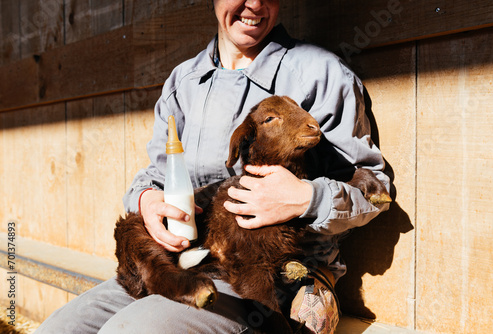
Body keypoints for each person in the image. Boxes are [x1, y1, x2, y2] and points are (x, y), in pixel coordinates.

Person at [36, 0, 390, 333]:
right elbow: (158, 174)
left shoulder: (319, 72)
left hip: (270, 274)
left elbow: (372, 187)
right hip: (183, 261)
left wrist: (306, 198)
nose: (254, 5)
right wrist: (146, 200)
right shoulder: (184, 82)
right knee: (60, 329)